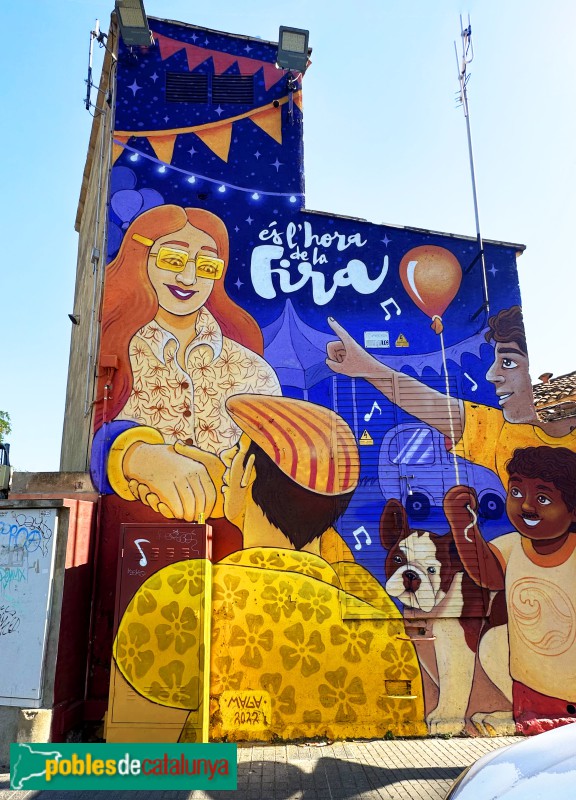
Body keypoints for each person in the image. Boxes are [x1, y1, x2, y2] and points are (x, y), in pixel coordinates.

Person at [113, 395, 426, 742]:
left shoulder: (185, 592)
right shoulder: (371, 605)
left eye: (235, 453)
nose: (224, 460)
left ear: (248, 472)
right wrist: (242, 495)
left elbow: (140, 739)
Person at [91, 205, 280, 523]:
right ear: (141, 257)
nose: (189, 277)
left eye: (207, 266)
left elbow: (277, 470)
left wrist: (226, 487)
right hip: (130, 538)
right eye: (173, 260)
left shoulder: (252, 371)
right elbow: (92, 441)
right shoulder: (115, 353)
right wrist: (135, 456)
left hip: (230, 549)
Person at [325, 306, 576, 486]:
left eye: (508, 362)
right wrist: (368, 368)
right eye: (496, 361)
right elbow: (427, 403)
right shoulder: (505, 437)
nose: (491, 375)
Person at [445, 446, 576, 733]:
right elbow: (488, 574)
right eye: (516, 493)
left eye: (543, 498)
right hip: (529, 692)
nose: (526, 506)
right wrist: (462, 525)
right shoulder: (512, 546)